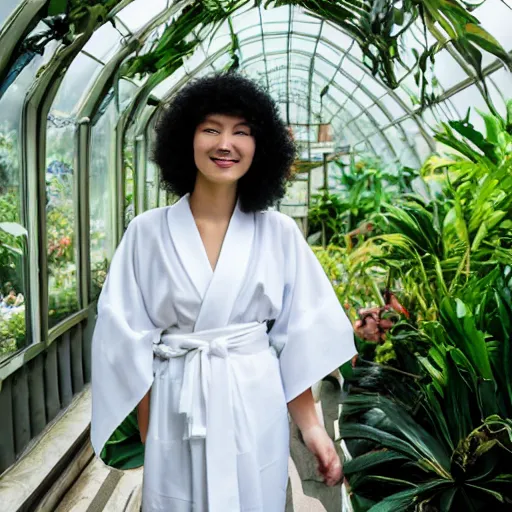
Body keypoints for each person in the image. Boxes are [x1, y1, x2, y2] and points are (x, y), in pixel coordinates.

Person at [90, 73, 356, 512]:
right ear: (186, 138)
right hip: (176, 405)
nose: (225, 144)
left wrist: (312, 429)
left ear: (261, 147)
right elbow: (125, 336)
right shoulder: (146, 234)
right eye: (211, 129)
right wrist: (149, 429)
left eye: (242, 132)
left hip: (254, 398)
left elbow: (298, 336)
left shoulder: (279, 233)